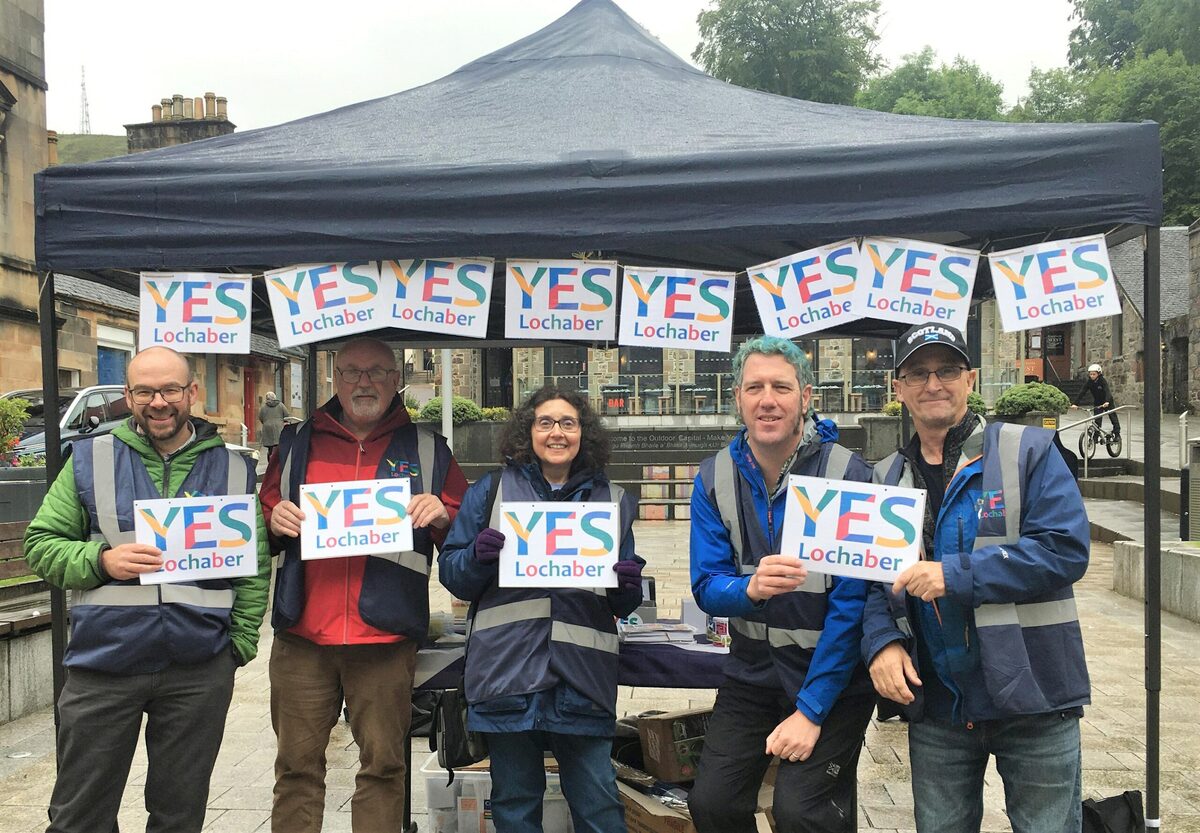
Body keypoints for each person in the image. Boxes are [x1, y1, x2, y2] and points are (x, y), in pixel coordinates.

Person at [23, 345, 271, 833]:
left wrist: (236, 647)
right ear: (127, 395)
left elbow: (254, 568)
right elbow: (41, 544)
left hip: (197, 669)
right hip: (103, 664)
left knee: (179, 817)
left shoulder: (236, 469)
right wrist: (100, 560)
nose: (159, 402)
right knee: (79, 815)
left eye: (170, 390)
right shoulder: (89, 458)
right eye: (144, 391)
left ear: (192, 393)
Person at [863, 323, 1091, 833]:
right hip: (940, 708)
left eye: (947, 370)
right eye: (917, 373)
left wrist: (955, 574)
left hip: (1035, 696)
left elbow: (1066, 549)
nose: (933, 384)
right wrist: (882, 642)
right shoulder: (884, 478)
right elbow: (874, 584)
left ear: (971, 379)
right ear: (898, 389)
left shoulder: (1027, 450)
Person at [260, 336, 468, 833]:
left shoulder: (427, 447)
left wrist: (445, 513)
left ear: (396, 380)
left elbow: (466, 532)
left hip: (386, 637)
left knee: (383, 769)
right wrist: (274, 517)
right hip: (302, 636)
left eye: (376, 372)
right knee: (295, 770)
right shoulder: (295, 442)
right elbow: (263, 512)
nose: (363, 382)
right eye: (351, 372)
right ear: (335, 378)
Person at [688, 336, 876, 833]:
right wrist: (748, 591)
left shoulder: (848, 474)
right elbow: (706, 585)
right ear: (737, 399)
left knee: (801, 812)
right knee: (711, 803)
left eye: (780, 387)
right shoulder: (713, 477)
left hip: (831, 676)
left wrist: (811, 710)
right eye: (754, 387)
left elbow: (852, 606)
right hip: (753, 672)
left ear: (806, 397)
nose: (767, 399)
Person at [439, 386, 644, 833]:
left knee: (599, 805)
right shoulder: (490, 492)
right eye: (545, 422)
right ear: (527, 432)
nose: (557, 432)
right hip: (506, 674)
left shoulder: (612, 499)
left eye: (568, 423)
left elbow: (620, 601)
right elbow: (453, 575)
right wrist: (475, 556)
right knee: (514, 804)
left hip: (581, 677)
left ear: (582, 433)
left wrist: (629, 587)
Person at [1070, 363, 1119, 437]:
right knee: (1097, 420)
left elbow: (1107, 391)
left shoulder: (1102, 381)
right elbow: (1082, 392)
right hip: (1098, 403)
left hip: (1107, 402)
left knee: (1113, 418)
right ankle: (1095, 437)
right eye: (1091, 374)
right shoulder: (1089, 382)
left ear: (1098, 374)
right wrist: (1075, 403)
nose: (1092, 376)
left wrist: (1107, 401)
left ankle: (1117, 433)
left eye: (1094, 374)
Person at [259, 390, 289, 458]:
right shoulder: (280, 405)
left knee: (270, 447)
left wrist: (266, 422)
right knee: (278, 445)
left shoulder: (263, 407)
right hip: (278, 427)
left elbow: (260, 417)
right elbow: (286, 414)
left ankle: (270, 459)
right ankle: (277, 460)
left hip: (267, 428)